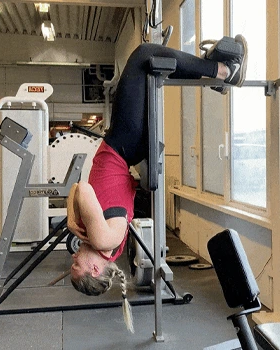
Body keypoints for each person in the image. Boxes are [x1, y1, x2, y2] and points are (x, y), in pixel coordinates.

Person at [67, 34, 248, 333]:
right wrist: (72, 214)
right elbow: (82, 189)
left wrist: (77, 214)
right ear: (95, 269)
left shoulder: (100, 244)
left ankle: (217, 75)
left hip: (122, 148)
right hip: (123, 148)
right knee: (143, 55)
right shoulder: (102, 242)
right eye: (76, 265)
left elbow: (91, 192)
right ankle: (225, 72)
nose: (73, 257)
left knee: (151, 63)